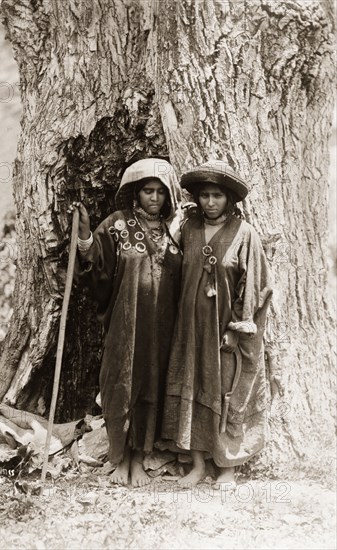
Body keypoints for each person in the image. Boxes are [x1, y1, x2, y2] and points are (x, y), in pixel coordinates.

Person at [161, 160, 273, 488]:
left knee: (227, 392)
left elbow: (256, 283)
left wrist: (238, 329)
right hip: (191, 330)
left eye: (218, 197)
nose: (210, 202)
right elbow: (167, 266)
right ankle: (197, 465)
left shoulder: (244, 234)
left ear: (230, 200)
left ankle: (227, 468)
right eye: (205, 196)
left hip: (225, 333)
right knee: (193, 388)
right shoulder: (191, 229)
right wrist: (177, 222)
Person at [74, 158, 183, 487]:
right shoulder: (117, 225)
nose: (154, 197)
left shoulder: (176, 230)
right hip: (126, 324)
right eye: (147, 191)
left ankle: (139, 458)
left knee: (153, 388)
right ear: (135, 194)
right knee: (121, 386)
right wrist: (83, 234)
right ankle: (119, 458)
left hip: (163, 329)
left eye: (160, 192)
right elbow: (97, 267)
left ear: (167, 196)